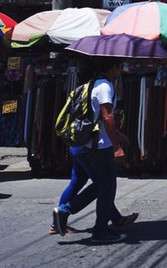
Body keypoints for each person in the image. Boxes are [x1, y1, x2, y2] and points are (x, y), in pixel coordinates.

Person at [53, 58, 133, 244]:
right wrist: (117, 147)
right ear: (113, 67)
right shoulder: (105, 86)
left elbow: (96, 117)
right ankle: (98, 231)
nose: (120, 71)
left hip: (84, 145)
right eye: (119, 66)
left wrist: (119, 136)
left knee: (94, 184)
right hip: (99, 148)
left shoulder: (90, 85)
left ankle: (65, 212)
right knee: (106, 189)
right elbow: (107, 117)